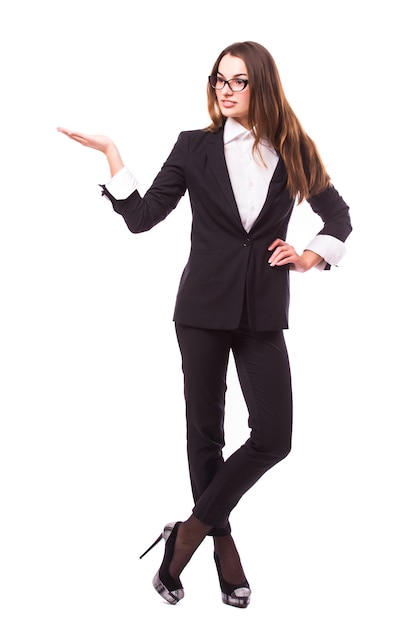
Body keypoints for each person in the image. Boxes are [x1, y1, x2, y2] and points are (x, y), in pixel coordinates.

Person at [58, 40, 352, 609]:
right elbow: (143, 219)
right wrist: (113, 154)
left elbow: (338, 215)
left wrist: (310, 255)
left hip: (262, 310)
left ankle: (188, 532)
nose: (225, 89)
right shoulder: (194, 146)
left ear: (260, 85)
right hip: (200, 310)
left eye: (238, 81)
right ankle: (224, 545)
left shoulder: (293, 150)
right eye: (219, 79)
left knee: (274, 437)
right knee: (206, 433)